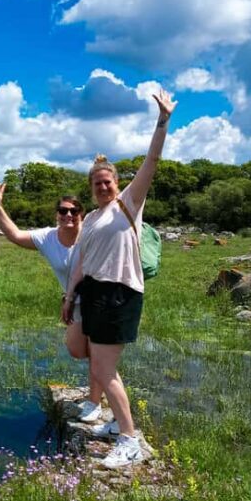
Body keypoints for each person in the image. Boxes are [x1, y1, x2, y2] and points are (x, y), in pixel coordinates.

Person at [63, 88, 176, 469]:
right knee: (85, 352)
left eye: (108, 182)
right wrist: (69, 296)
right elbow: (81, 260)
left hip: (119, 293)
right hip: (92, 293)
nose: (103, 187)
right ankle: (111, 422)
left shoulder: (129, 203)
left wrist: (162, 120)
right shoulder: (91, 219)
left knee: (103, 369)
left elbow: (152, 160)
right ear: (91, 188)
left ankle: (128, 438)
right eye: (97, 184)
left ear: (117, 183)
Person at [0, 183, 105, 420]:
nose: (68, 215)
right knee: (76, 349)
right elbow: (16, 235)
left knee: (98, 352)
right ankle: (100, 388)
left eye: (74, 211)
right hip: (75, 303)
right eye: (63, 211)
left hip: (101, 300)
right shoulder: (48, 237)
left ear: (82, 214)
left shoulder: (92, 232)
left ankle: (95, 402)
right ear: (57, 215)